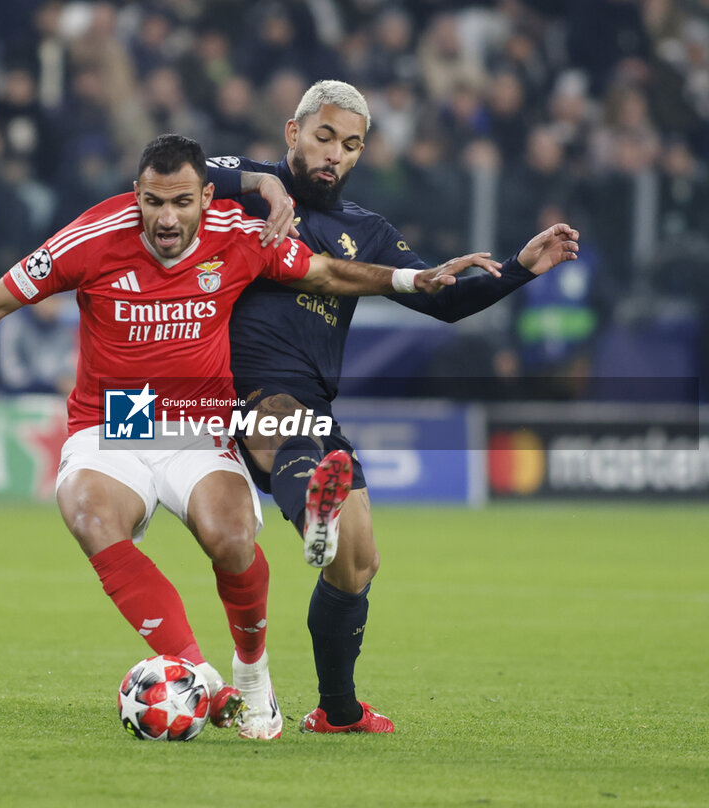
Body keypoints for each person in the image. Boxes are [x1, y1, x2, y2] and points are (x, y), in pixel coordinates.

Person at [0, 133, 505, 740]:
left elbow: (325, 274)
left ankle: (254, 676)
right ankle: (203, 676)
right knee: (87, 512)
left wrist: (407, 280)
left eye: (181, 203)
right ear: (136, 195)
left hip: (199, 416)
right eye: (152, 203)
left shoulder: (238, 232)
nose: (166, 219)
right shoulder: (91, 236)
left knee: (231, 537)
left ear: (205, 198)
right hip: (121, 415)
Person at [206, 80, 580, 734]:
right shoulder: (246, 190)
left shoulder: (366, 232)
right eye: (324, 137)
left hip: (316, 406)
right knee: (286, 427)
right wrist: (263, 185)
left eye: (351, 145)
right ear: (294, 133)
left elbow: (442, 298)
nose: (336, 155)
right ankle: (310, 515)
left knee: (358, 563)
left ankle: (338, 711)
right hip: (241, 390)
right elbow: (174, 173)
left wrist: (520, 267)